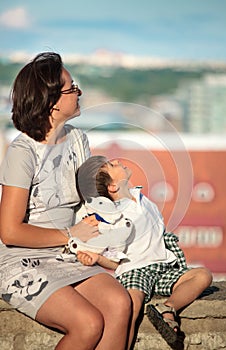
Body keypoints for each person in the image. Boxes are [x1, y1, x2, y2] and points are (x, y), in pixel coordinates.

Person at [0, 53, 131, 350]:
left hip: (68, 252)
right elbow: (9, 231)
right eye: (72, 88)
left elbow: (90, 201)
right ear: (52, 101)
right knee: (88, 323)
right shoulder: (23, 152)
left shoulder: (77, 140)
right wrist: (71, 235)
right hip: (21, 257)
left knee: (119, 303)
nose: (78, 92)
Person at [75, 155, 213, 348]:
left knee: (203, 275)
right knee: (132, 306)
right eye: (111, 165)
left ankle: (167, 309)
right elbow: (115, 261)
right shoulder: (114, 218)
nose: (116, 161)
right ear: (113, 187)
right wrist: (97, 258)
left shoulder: (142, 198)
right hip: (136, 270)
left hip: (162, 267)